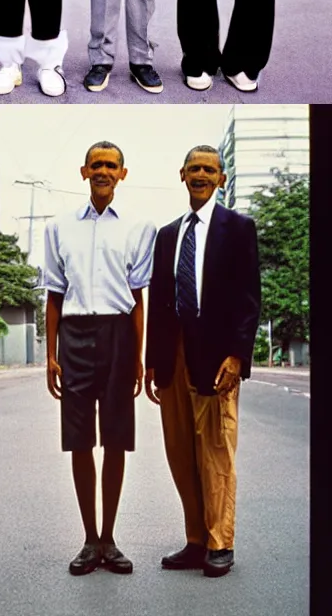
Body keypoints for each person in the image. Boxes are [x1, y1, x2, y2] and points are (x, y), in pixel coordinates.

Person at [144, 145, 260, 579]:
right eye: (194, 168)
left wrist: (238, 354)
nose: (201, 175)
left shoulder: (238, 227)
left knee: (215, 448)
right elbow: (159, 299)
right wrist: (154, 360)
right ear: (181, 174)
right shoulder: (168, 234)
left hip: (216, 353)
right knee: (181, 451)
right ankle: (196, 540)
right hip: (174, 351)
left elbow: (249, 299)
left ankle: (220, 542)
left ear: (221, 179)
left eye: (209, 169)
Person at [43, 141, 156, 578]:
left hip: (117, 334)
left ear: (123, 174)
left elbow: (137, 296)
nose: (103, 171)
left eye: (111, 165)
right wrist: (50, 355)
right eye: (97, 165)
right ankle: (89, 539)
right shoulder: (58, 228)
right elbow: (54, 294)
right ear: (84, 171)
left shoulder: (137, 227)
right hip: (74, 335)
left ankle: (110, 538)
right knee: (79, 442)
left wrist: (137, 356)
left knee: (115, 439)